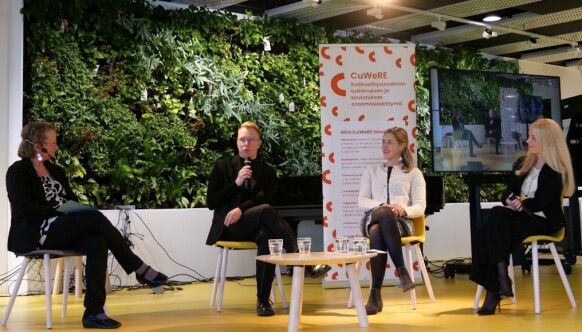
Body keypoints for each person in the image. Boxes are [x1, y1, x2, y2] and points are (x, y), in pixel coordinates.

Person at [6, 122, 168, 329]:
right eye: (53, 143)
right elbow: (23, 209)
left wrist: (75, 210)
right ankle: (138, 267)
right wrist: (58, 212)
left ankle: (94, 312)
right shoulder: (18, 171)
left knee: (97, 241)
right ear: (39, 146)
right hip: (37, 232)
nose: (57, 147)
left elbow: (70, 201)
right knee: (93, 217)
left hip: (62, 226)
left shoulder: (56, 170)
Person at [205, 121, 330, 317]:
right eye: (242, 139)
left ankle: (263, 301)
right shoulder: (223, 167)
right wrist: (236, 183)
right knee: (266, 211)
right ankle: (301, 259)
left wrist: (241, 208)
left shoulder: (267, 171)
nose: (246, 144)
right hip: (229, 226)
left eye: (250, 140)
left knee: (267, 237)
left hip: (254, 224)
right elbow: (212, 201)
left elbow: (262, 198)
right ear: (237, 142)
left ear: (259, 143)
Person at [470, 118, 575, 315]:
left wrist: (520, 202)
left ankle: (495, 287)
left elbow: (541, 202)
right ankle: (501, 274)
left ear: (546, 140)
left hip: (544, 221)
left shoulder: (556, 170)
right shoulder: (523, 163)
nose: (528, 141)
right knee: (495, 217)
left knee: (489, 229)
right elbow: (506, 192)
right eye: (529, 136)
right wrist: (509, 200)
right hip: (519, 218)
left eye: (533, 137)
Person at [357, 127, 426, 315]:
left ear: (402, 145)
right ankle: (402, 269)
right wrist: (384, 205)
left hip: (401, 223)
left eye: (390, 142)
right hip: (371, 218)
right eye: (383, 141)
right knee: (382, 216)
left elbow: (420, 206)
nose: (384, 146)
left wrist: (403, 209)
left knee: (377, 231)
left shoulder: (414, 173)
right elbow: (361, 201)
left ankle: (374, 296)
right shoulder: (371, 170)